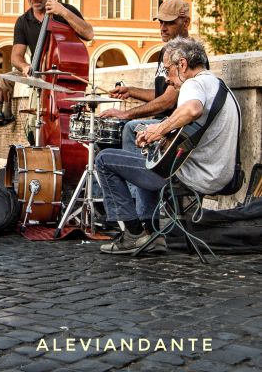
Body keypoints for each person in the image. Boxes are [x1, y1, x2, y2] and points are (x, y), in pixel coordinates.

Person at [96, 37, 239, 255]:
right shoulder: (219, 86)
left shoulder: (194, 83)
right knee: (150, 159)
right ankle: (151, 230)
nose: (166, 78)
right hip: (219, 175)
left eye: (167, 69)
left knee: (104, 159)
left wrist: (158, 130)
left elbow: (192, 109)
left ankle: (134, 234)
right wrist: (164, 135)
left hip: (193, 176)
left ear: (182, 64)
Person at [0, 0, 93, 126]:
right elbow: (16, 56)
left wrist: (62, 12)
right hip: (38, 75)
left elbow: (88, 34)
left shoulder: (65, 11)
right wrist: (24, 66)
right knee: (33, 124)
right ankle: (3, 112)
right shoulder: (23, 21)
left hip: (63, 79)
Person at [99, 0, 192, 153]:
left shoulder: (186, 52)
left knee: (130, 127)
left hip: (174, 126)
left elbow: (168, 101)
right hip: (161, 120)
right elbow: (162, 95)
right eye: (161, 22)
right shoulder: (168, 50)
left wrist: (126, 114)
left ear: (186, 22)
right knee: (105, 135)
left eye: (169, 23)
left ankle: (136, 176)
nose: (163, 28)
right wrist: (131, 91)